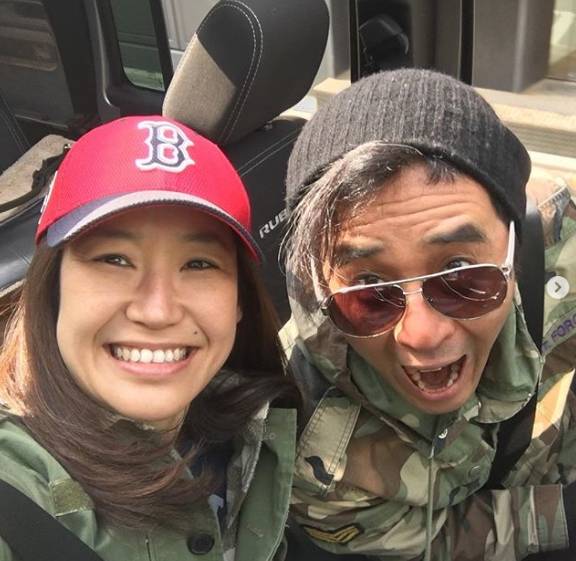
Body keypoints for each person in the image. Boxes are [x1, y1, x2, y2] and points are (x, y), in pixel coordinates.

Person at [281, 68, 576, 561]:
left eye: (461, 273)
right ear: (319, 284)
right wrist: (562, 514)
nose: (422, 334)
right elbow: (427, 542)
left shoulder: (557, 243)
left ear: (513, 244)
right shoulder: (308, 448)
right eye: (369, 290)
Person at [0, 115, 299, 561]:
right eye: (114, 259)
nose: (157, 311)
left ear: (240, 300)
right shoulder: (16, 487)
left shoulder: (255, 425)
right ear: (53, 289)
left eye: (199, 264)